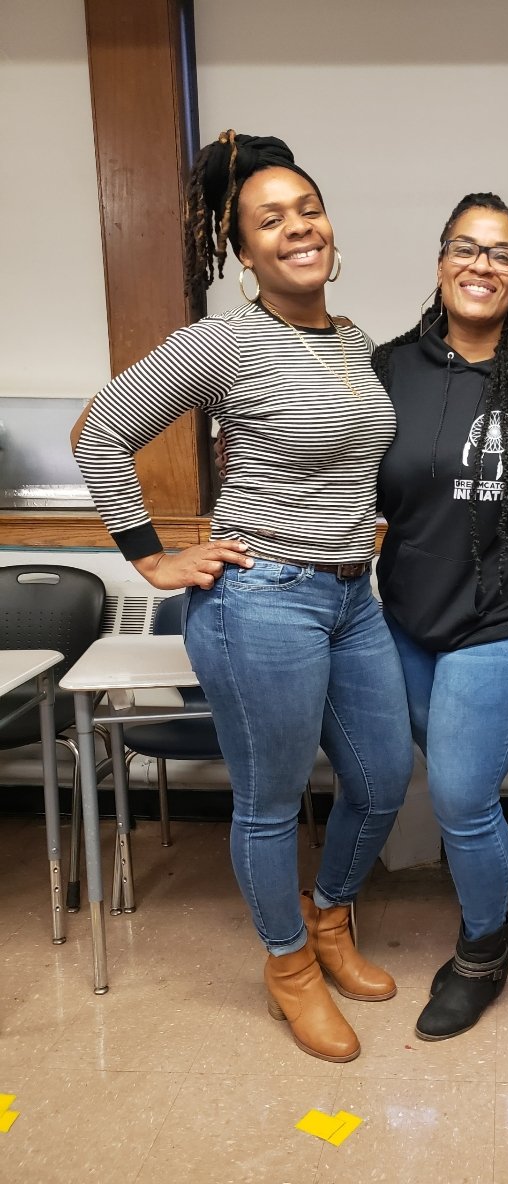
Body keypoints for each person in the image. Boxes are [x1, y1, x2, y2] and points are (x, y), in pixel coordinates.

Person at [72, 129, 413, 1065]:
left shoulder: (354, 340)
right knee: (270, 802)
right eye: (272, 219)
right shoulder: (222, 340)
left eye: (308, 209)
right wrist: (152, 557)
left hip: (354, 595)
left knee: (383, 775)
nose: (298, 229)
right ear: (242, 247)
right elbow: (100, 433)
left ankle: (332, 919)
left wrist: (371, 524)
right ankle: (289, 965)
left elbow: (354, 458)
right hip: (262, 600)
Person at [372, 193, 508, 1039]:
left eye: (504, 254)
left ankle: (485, 946)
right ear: (441, 260)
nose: (482, 265)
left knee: (458, 792)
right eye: (467, 246)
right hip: (406, 618)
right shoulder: (385, 368)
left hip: (507, 621)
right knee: (436, 773)